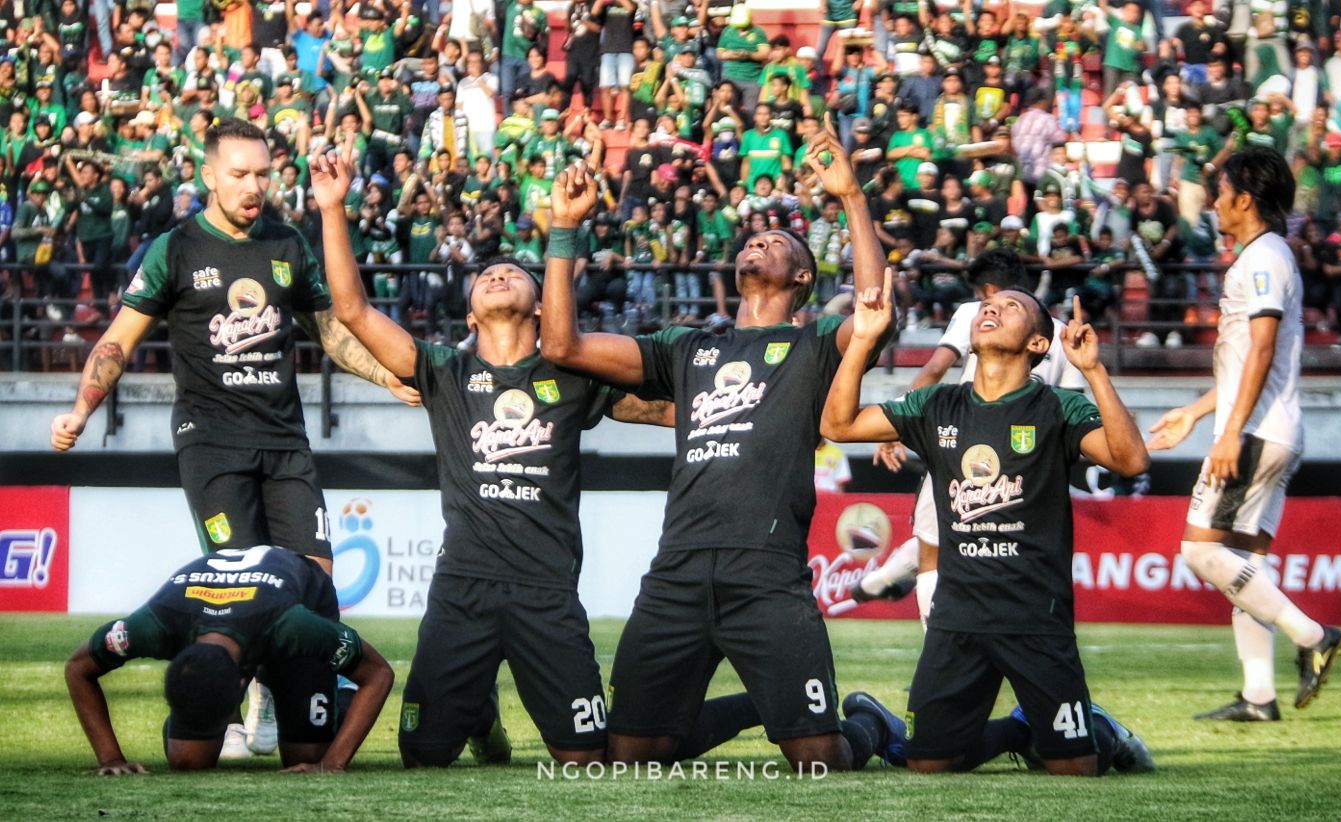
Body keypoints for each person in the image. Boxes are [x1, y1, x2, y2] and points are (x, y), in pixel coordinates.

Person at [539, 118, 905, 772]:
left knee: (819, 758)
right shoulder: (688, 346)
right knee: (626, 755)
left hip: (765, 570)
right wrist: (563, 230)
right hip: (677, 567)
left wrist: (852, 199)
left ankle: (867, 729)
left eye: (776, 240)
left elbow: (878, 312)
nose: (757, 241)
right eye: (753, 237)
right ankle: (766, 707)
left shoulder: (813, 346)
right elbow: (562, 347)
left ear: (801, 279)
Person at [309, 133, 685, 767]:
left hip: (547, 590)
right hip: (463, 589)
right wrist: (330, 209)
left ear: (542, 306)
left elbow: (672, 410)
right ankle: (476, 708)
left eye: (514, 272)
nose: (500, 274)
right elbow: (351, 309)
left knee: (585, 758)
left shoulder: (575, 375)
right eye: (487, 274)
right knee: (422, 755)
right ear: (471, 314)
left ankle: (480, 697)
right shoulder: (443, 372)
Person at [49, 118, 415, 757]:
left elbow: (330, 333)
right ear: (209, 176)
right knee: (246, 587)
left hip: (285, 442)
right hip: (211, 444)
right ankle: (234, 702)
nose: (254, 187)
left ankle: (286, 705)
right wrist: (81, 409)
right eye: (240, 175)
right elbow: (115, 343)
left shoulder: (288, 243)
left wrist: (385, 375)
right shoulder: (176, 249)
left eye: (264, 175)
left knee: (316, 584)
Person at [821, 264, 1155, 776]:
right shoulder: (937, 403)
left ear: (1040, 344)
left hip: (1034, 614)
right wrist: (862, 341)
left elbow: (1131, 461)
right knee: (927, 763)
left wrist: (1093, 370)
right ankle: (1021, 730)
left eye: (1012, 307)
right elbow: (838, 424)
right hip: (958, 614)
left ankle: (1093, 732)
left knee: (1077, 770)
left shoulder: (1059, 405)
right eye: (989, 306)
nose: (992, 309)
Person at [1147, 146, 1341, 722]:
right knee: (1243, 568)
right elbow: (1249, 364)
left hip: (1257, 431)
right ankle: (1259, 696)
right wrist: (1197, 411)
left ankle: (1313, 636)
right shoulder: (1271, 255)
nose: (1213, 201)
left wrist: (1230, 433)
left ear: (1244, 199)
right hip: (1275, 427)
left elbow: (1261, 347)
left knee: (1200, 552)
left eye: (1221, 191)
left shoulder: (1261, 258)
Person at [855, 248, 1086, 609]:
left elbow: (935, 368)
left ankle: (923, 627)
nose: (987, 308)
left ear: (989, 289)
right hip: (1030, 460)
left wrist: (897, 427)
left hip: (963, 436)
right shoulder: (1060, 332)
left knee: (934, 543)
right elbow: (1072, 403)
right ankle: (880, 581)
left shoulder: (976, 312)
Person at [64, 545, 394, 773]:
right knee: (188, 762)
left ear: (240, 685)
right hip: (234, 617)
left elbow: (377, 673)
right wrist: (110, 758)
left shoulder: (295, 626)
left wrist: (332, 764)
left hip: (298, 602)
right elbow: (79, 668)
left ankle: (331, 695)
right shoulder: (154, 624)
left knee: (306, 755)